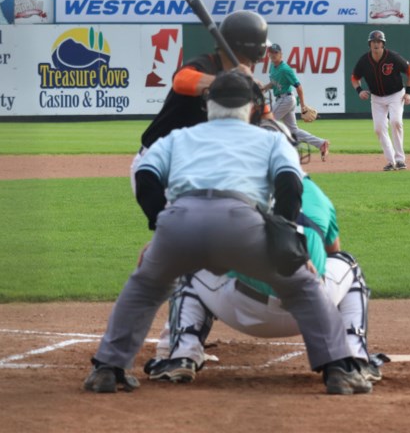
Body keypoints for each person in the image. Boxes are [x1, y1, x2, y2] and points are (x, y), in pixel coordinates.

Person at [83, 71, 372, 396]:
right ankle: (339, 371)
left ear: (208, 105)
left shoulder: (180, 137)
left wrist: (161, 223)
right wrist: (286, 239)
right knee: (302, 287)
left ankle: (107, 369)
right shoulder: (271, 138)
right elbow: (291, 184)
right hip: (241, 220)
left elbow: (146, 174)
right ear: (251, 108)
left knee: (145, 287)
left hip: (181, 219)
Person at [144, 123, 383, 385]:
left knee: (189, 261)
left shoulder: (227, 192)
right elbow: (331, 253)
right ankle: (354, 358)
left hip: (241, 309)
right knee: (347, 264)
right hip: (311, 308)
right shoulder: (318, 196)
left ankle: (182, 354)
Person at [130, 11, 270, 193]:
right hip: (158, 164)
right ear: (255, 50)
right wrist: (230, 81)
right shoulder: (204, 65)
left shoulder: (247, 87)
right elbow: (181, 81)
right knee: (181, 220)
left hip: (194, 165)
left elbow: (268, 121)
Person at [350, 30, 410, 171]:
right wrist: (359, 91)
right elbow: (355, 78)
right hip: (377, 98)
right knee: (379, 128)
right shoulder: (364, 60)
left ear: (383, 44)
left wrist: (408, 93)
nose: (376, 44)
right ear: (369, 44)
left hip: (396, 95)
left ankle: (400, 160)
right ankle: (391, 161)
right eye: (373, 41)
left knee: (396, 122)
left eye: (379, 41)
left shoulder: (393, 57)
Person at [263, 43, 330, 160]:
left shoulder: (285, 69)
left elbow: (298, 86)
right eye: (271, 52)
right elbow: (273, 83)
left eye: (275, 52)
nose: (273, 55)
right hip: (282, 99)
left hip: (286, 99)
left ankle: (270, 151)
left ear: (281, 54)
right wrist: (263, 88)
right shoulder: (272, 66)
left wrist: (303, 105)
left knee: (267, 122)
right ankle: (321, 143)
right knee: (293, 130)